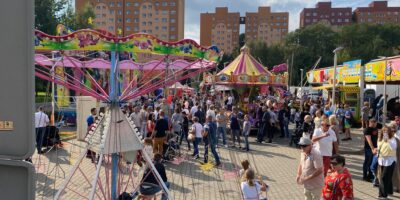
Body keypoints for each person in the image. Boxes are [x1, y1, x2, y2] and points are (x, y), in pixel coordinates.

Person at [377, 126, 397, 199]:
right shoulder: (379, 139)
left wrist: (388, 140)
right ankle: (389, 191)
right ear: (382, 131)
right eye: (384, 131)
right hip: (381, 160)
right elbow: (379, 147)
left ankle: (382, 195)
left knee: (383, 177)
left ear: (389, 132)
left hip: (390, 160)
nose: (385, 132)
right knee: (387, 176)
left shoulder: (392, 139)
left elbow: (393, 147)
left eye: (387, 131)